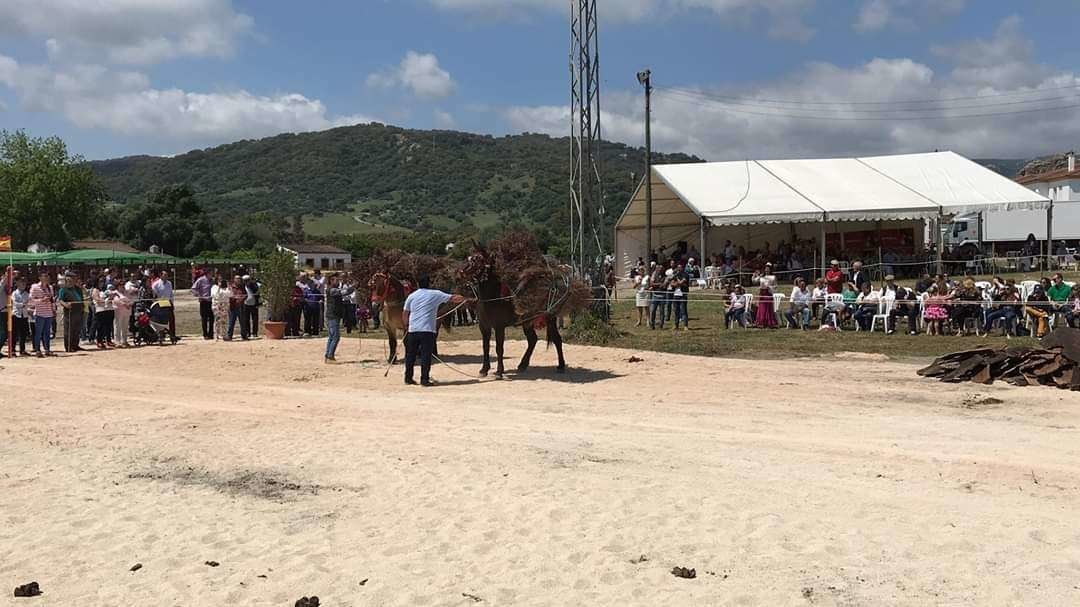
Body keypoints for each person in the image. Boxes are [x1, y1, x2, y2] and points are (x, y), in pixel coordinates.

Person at [401, 275, 468, 386]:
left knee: (410, 355)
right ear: (429, 283)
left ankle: (408, 378)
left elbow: (405, 313)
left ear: (418, 284)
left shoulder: (411, 296)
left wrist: (406, 325)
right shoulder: (435, 294)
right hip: (427, 330)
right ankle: (424, 380)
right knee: (426, 356)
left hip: (413, 330)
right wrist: (466, 298)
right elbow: (453, 298)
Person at [323, 274, 356, 363]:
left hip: (332, 315)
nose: (338, 282)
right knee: (336, 337)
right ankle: (330, 357)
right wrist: (354, 286)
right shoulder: (332, 290)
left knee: (331, 337)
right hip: (332, 316)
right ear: (331, 281)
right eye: (336, 280)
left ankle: (327, 355)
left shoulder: (332, 289)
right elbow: (345, 292)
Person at [56, 272, 86, 353]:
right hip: (70, 312)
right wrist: (65, 305)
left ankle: (75, 345)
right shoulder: (63, 289)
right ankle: (68, 347)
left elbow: (81, 299)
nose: (71, 280)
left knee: (77, 329)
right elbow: (60, 300)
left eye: (73, 278)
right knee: (69, 330)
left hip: (79, 311)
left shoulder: (78, 289)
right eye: (69, 279)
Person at [28, 271, 57, 357]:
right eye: (44, 276)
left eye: (47, 277)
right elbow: (31, 300)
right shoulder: (35, 287)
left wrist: (54, 309)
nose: (46, 278)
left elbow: (52, 300)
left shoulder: (50, 287)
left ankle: (47, 349)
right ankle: (37, 350)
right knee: (38, 333)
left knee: (47, 333)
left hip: (48, 313)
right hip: (39, 313)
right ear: (40, 278)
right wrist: (41, 300)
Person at [152, 270, 177, 343]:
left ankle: (172, 335)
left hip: (169, 303)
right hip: (161, 303)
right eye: (165, 275)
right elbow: (154, 295)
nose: (166, 276)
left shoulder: (169, 283)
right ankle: (161, 335)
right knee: (161, 321)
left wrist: (172, 303)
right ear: (161, 275)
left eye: (167, 275)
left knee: (172, 320)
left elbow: (171, 294)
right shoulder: (156, 284)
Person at [191, 269, 214, 339]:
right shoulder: (200, 280)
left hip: (212, 301)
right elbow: (193, 289)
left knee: (212, 318)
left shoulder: (212, 281)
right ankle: (205, 334)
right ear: (207, 274)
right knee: (204, 319)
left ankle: (211, 334)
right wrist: (198, 295)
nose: (212, 275)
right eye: (211, 274)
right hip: (204, 301)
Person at [10, 275, 30, 356]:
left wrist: (22, 304)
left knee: (23, 334)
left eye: (24, 283)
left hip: (24, 315)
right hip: (16, 315)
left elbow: (27, 302)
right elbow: (15, 303)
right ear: (18, 284)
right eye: (22, 283)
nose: (23, 285)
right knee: (14, 334)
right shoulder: (14, 293)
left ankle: (22, 350)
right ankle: (13, 350)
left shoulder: (26, 293)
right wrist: (22, 304)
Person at [112, 281, 133, 347]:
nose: (122, 286)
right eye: (120, 285)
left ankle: (124, 341)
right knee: (118, 326)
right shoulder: (115, 292)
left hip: (127, 311)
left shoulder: (126, 292)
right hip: (119, 311)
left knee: (125, 327)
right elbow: (116, 300)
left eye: (123, 284)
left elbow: (132, 299)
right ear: (117, 286)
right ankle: (117, 341)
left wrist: (130, 303)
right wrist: (125, 304)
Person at [670, 263, 689, 330]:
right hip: (675, 295)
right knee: (676, 311)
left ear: (683, 268)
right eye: (678, 267)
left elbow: (682, 282)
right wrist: (677, 283)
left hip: (683, 295)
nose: (679, 268)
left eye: (680, 267)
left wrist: (678, 283)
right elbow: (672, 284)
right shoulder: (676, 275)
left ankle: (685, 326)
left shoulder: (685, 275)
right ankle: (676, 325)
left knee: (684, 311)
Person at [211, 276, 231, 340]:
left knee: (224, 320)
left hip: (225, 305)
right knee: (217, 320)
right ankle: (216, 335)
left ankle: (224, 335)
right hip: (217, 305)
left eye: (222, 280)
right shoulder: (214, 287)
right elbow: (215, 295)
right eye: (219, 280)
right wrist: (219, 287)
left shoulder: (226, 288)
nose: (221, 282)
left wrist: (229, 287)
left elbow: (230, 295)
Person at [227, 275, 246, 340]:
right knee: (231, 322)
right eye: (237, 279)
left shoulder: (242, 287)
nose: (238, 280)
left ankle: (244, 335)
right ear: (234, 279)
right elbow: (229, 295)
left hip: (241, 306)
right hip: (233, 307)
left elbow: (245, 295)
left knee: (243, 322)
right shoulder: (231, 287)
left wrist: (241, 299)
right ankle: (229, 336)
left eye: (239, 279)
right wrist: (235, 298)